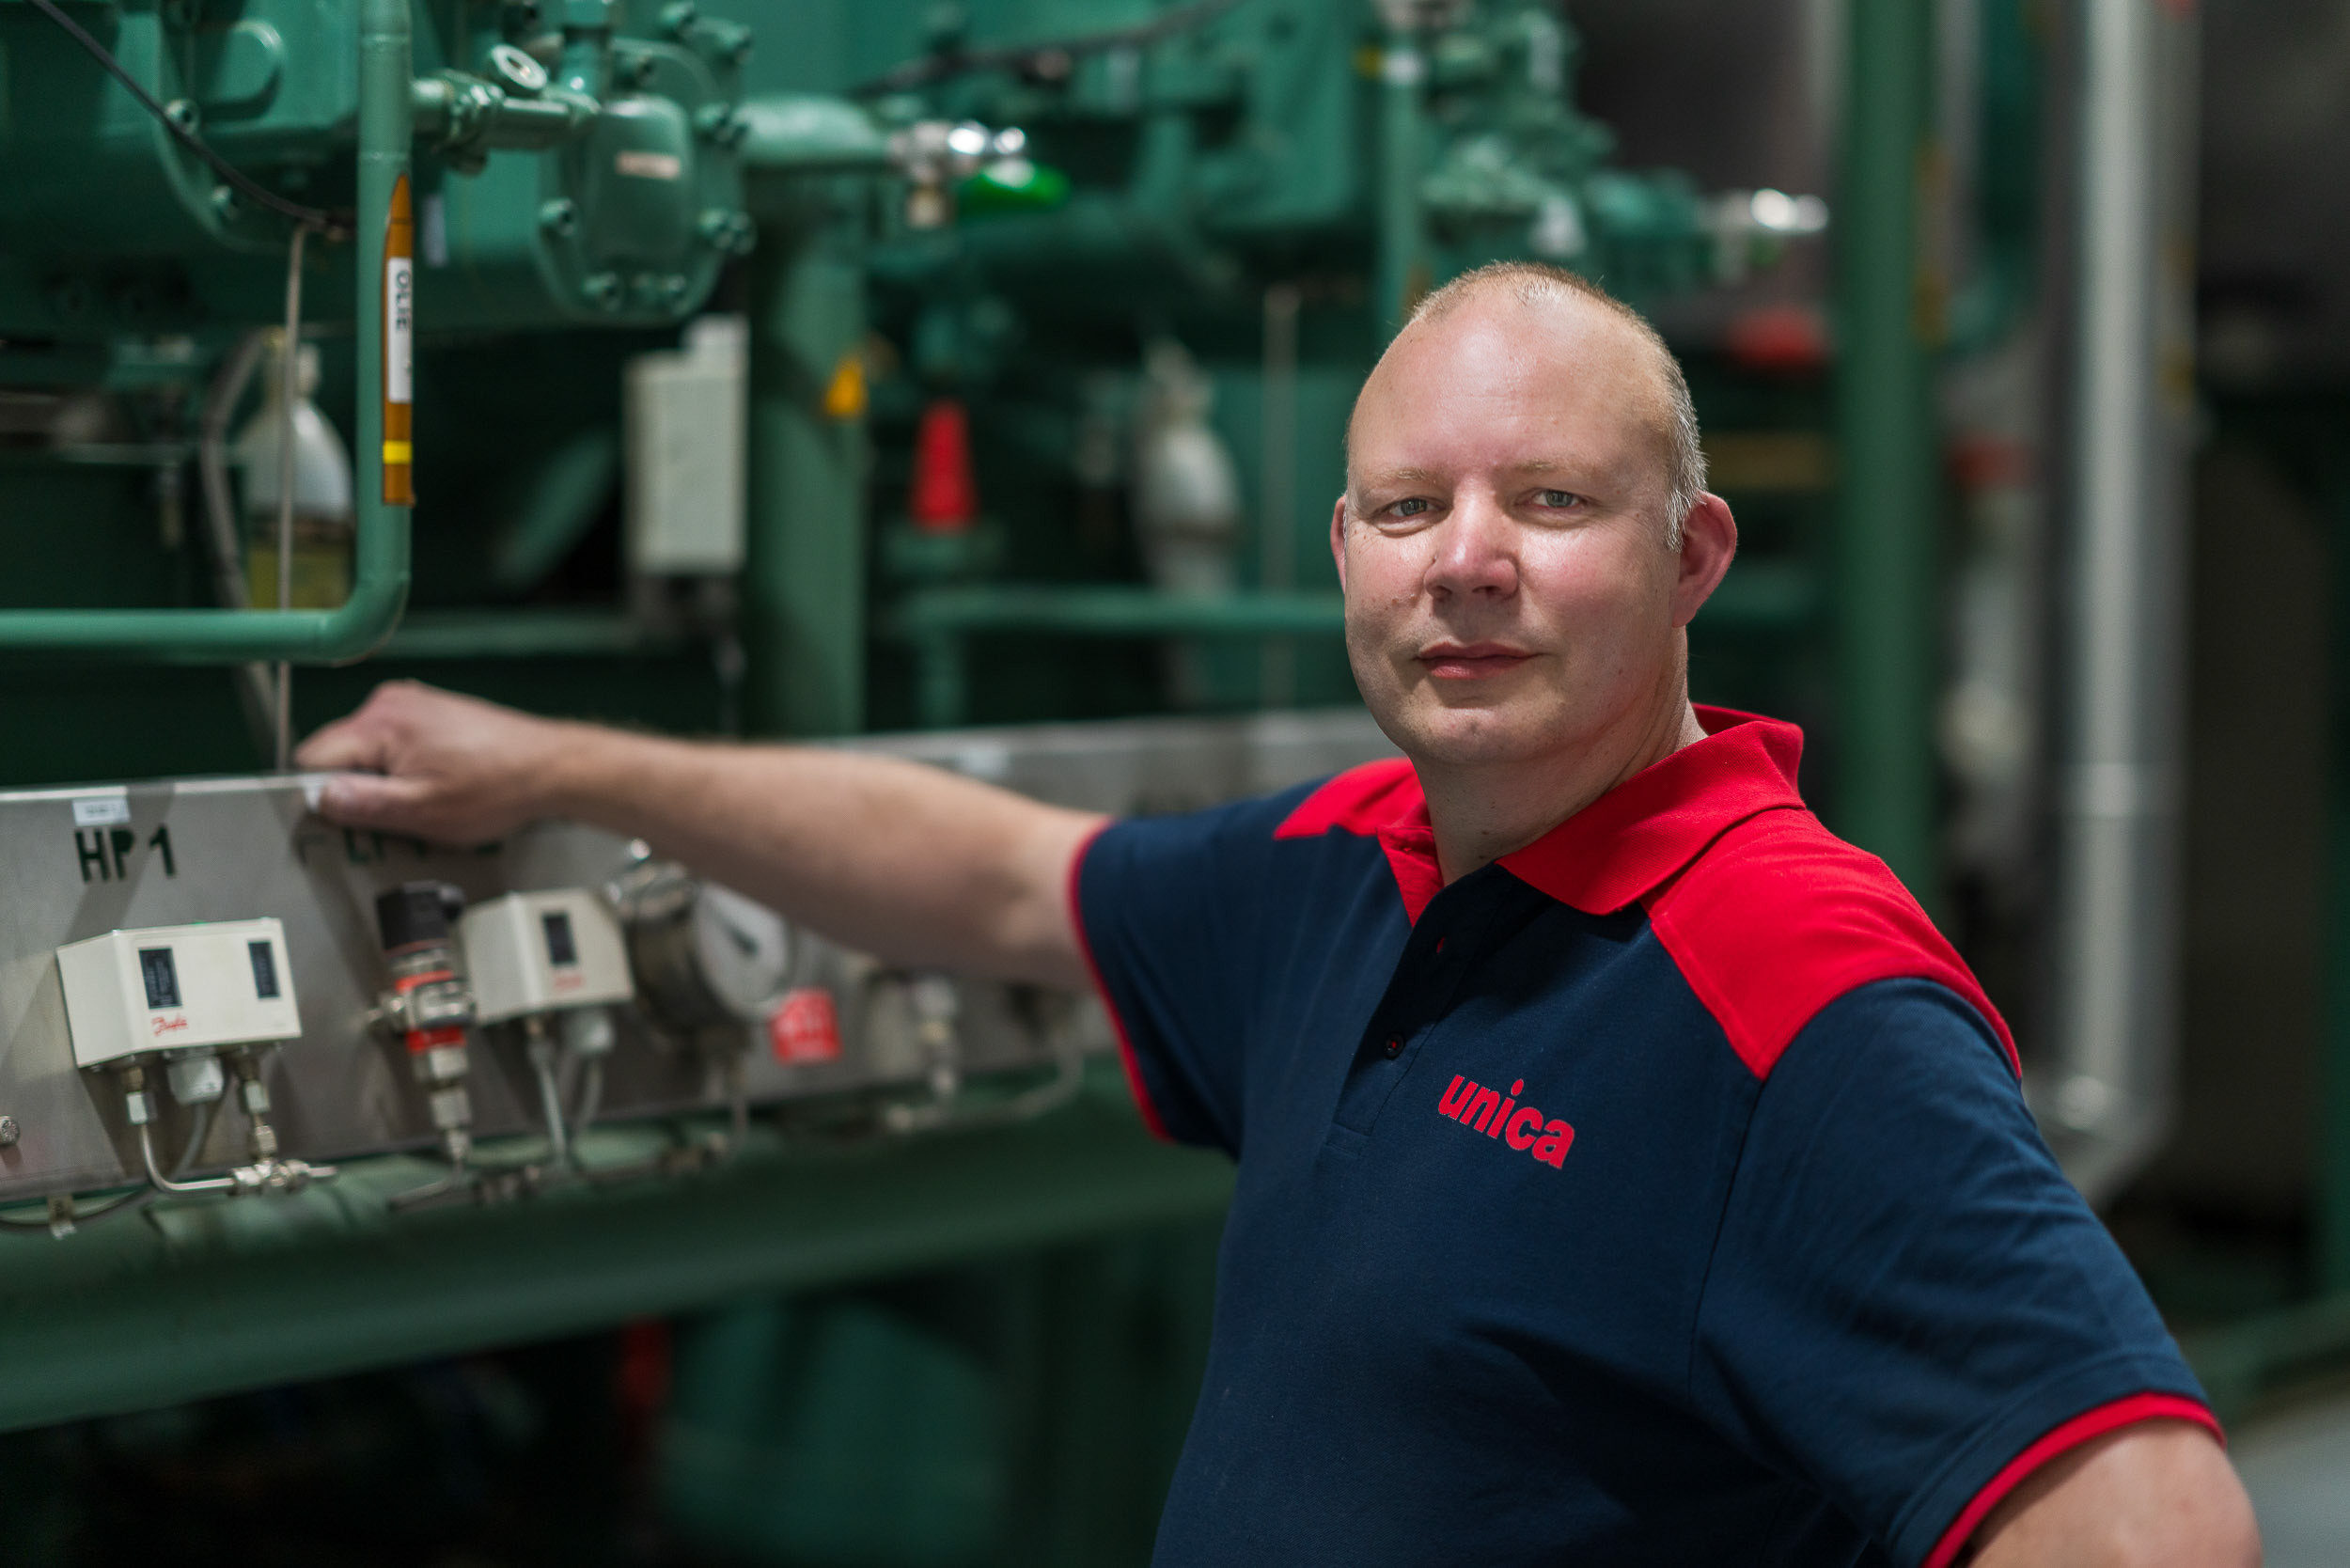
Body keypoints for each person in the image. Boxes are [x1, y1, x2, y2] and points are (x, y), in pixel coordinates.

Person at [298, 262, 2260, 1567]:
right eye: (1407, 509)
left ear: (1693, 557)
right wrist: (563, 767)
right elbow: (990, 870)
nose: (1465, 563)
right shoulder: (1352, 864)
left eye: (1550, 507)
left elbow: (2150, 1520)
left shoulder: (1790, 984)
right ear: (1340, 553)